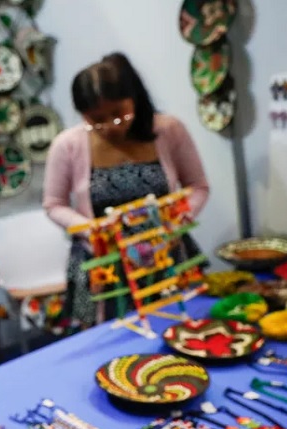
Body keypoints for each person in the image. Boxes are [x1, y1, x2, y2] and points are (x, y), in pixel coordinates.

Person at [42, 52, 210, 330]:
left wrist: (179, 218)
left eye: (119, 115)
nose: (109, 126)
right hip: (104, 267)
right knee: (111, 346)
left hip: (166, 257)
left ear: (134, 98)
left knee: (184, 332)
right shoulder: (67, 145)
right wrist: (90, 229)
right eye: (96, 119)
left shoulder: (169, 130)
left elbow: (198, 186)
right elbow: (54, 203)